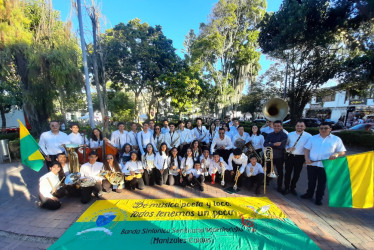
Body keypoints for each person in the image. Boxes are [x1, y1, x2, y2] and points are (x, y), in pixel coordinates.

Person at [301, 122, 346, 205]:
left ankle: (319, 198)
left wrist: (336, 154)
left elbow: (342, 152)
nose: (323, 130)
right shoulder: (313, 138)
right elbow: (306, 149)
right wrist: (306, 159)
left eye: (325, 128)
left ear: (330, 129)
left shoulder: (336, 139)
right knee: (311, 181)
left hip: (326, 165)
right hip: (312, 164)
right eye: (321, 128)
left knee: (322, 183)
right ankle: (309, 194)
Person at [283, 121, 312, 195]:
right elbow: (285, 145)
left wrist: (307, 158)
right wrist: (288, 149)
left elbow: (310, 148)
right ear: (295, 126)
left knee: (297, 174)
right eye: (298, 125)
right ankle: (286, 188)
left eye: (301, 126)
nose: (299, 127)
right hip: (290, 156)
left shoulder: (309, 136)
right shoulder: (290, 134)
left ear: (304, 127)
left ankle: (292, 188)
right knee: (287, 173)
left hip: (300, 157)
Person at [264, 120, 288, 193]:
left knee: (280, 172)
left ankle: (279, 186)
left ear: (281, 126)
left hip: (279, 157)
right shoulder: (270, 134)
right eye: (275, 126)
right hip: (270, 156)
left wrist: (271, 144)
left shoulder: (284, 135)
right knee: (268, 170)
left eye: (278, 126)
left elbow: (282, 146)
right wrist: (274, 144)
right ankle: (267, 182)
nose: (276, 127)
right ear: (273, 126)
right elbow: (265, 144)